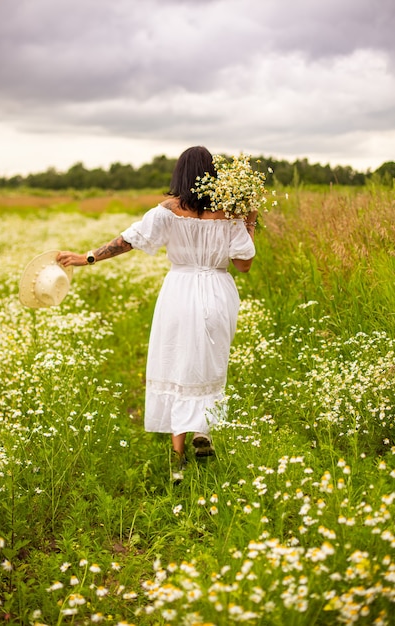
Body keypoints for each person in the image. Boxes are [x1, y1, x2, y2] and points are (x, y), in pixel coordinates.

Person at [57, 146, 256, 480]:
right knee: (210, 363)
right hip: (218, 292)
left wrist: (86, 257)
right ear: (215, 176)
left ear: (179, 175)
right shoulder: (231, 213)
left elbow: (129, 240)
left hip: (179, 291)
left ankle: (178, 459)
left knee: (177, 363)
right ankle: (202, 430)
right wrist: (249, 224)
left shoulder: (167, 211)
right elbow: (244, 265)